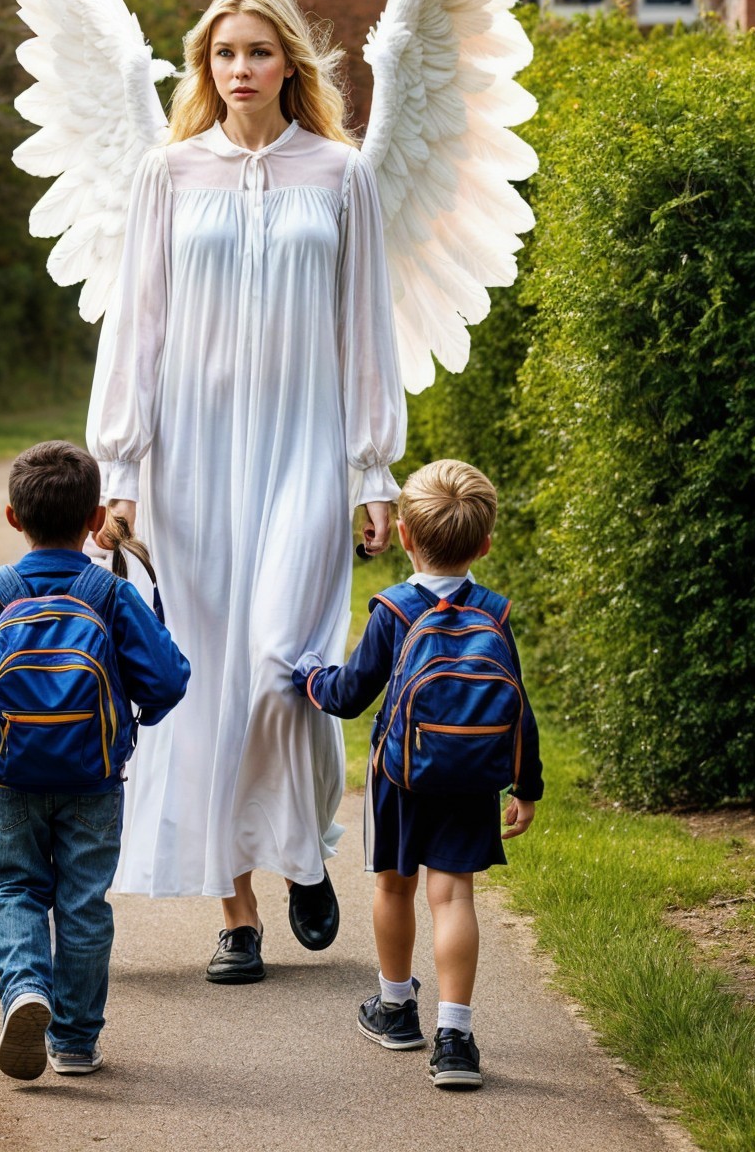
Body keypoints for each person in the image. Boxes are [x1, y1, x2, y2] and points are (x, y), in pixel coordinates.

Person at [90, 0, 406, 983]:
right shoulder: (168, 174)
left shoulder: (341, 174)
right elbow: (134, 329)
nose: (240, 71)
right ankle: (235, 914)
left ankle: (300, 848)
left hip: (305, 452)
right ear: (205, 67)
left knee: (286, 670)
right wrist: (122, 467)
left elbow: (367, 331)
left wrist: (374, 471)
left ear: (289, 65)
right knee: (204, 684)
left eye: (258, 53)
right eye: (224, 55)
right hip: (190, 461)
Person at [0, 440, 191, 1080]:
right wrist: (135, 717)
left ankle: (25, 990)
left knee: (14, 887)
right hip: (93, 780)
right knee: (82, 903)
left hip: (13, 779)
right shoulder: (110, 594)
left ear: (13, 518)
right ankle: (74, 1042)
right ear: (95, 519)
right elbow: (168, 680)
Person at [292, 459, 543, 1090]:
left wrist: (309, 680)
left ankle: (397, 1009)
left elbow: (350, 694)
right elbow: (520, 708)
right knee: (454, 895)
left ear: (404, 535)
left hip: (400, 778)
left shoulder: (394, 609)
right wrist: (527, 787)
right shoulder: (495, 611)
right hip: (475, 780)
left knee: (395, 888)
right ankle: (455, 1039)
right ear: (485, 544)